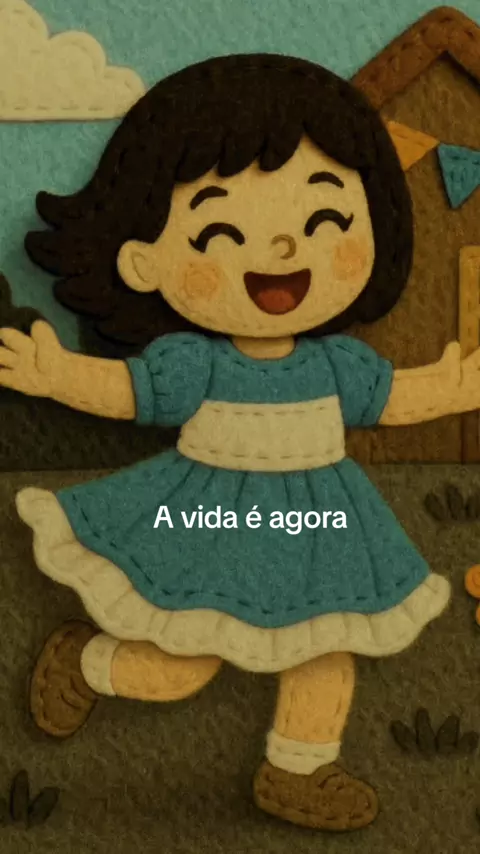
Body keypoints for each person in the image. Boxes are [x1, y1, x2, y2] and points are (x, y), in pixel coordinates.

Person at [2, 53, 474, 831]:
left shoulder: (337, 365)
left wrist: (456, 388)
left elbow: (394, 399)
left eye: (325, 223)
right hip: (207, 520)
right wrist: (56, 376)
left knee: (327, 647)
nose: (285, 249)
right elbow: (131, 392)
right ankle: (88, 661)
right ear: (143, 261)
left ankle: (300, 771)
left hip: (325, 528)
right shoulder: (196, 363)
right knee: (182, 667)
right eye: (220, 231)